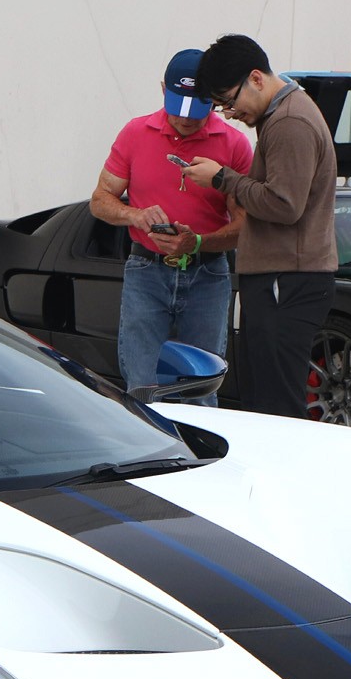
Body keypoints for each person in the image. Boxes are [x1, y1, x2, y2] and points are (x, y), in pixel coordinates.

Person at [179, 34, 337, 419]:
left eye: (229, 102)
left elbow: (285, 206)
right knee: (263, 398)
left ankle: (282, 478)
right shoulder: (283, 116)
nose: (230, 113)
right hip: (282, 276)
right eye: (221, 107)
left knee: (274, 404)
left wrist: (223, 179)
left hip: (287, 278)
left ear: (256, 78)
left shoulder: (288, 122)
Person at [91, 49, 251, 398]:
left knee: (201, 387)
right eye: (177, 108)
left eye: (196, 110)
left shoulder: (234, 144)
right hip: (146, 271)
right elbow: (100, 201)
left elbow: (245, 227)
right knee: (142, 388)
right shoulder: (135, 133)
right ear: (163, 89)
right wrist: (136, 214)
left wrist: (196, 242)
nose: (185, 120)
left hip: (207, 276)